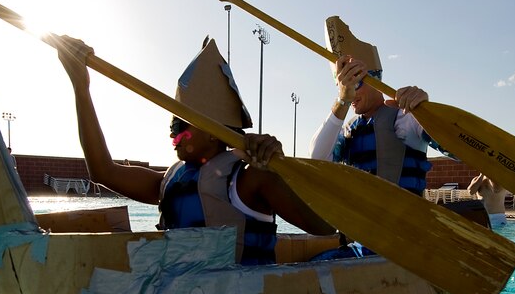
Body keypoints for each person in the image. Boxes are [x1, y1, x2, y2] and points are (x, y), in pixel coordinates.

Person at [55, 35, 336, 265]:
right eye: (172, 124)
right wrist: (81, 87)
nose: (172, 132)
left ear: (214, 132)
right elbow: (102, 171)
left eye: (180, 124)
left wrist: (279, 167)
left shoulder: (253, 179)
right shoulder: (168, 181)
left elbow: (324, 227)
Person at [309, 16, 438, 196]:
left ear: (374, 81)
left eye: (355, 84)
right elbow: (318, 159)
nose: (350, 93)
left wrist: (426, 112)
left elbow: (453, 148)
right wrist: (342, 100)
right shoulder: (348, 131)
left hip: (401, 213)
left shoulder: (405, 118)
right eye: (343, 86)